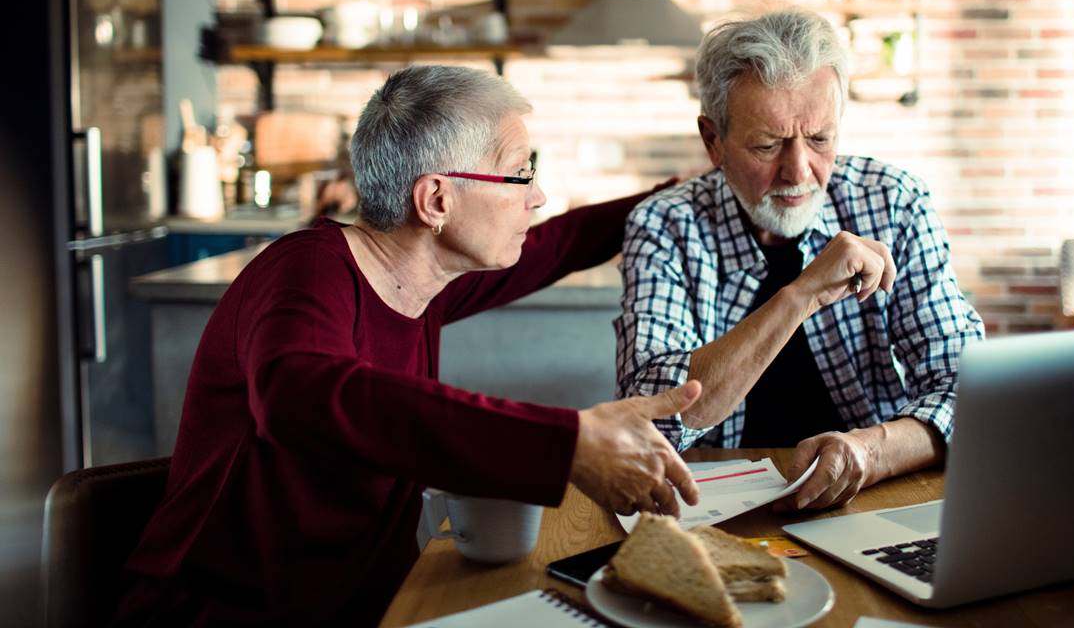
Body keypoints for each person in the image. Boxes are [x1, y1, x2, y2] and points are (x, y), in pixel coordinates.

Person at [114, 66, 703, 627]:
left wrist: (684, 193)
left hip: (371, 609)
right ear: (437, 201)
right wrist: (566, 443)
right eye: (521, 173)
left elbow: (559, 242)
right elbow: (300, 394)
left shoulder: (423, 283)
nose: (538, 195)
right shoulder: (306, 270)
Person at [615, 10, 985, 512]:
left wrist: (869, 451)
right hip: (707, 508)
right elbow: (647, 420)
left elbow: (970, 392)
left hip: (875, 493)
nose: (798, 171)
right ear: (713, 141)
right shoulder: (664, 226)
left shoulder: (894, 202)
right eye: (767, 145)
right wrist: (800, 294)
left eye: (819, 139)